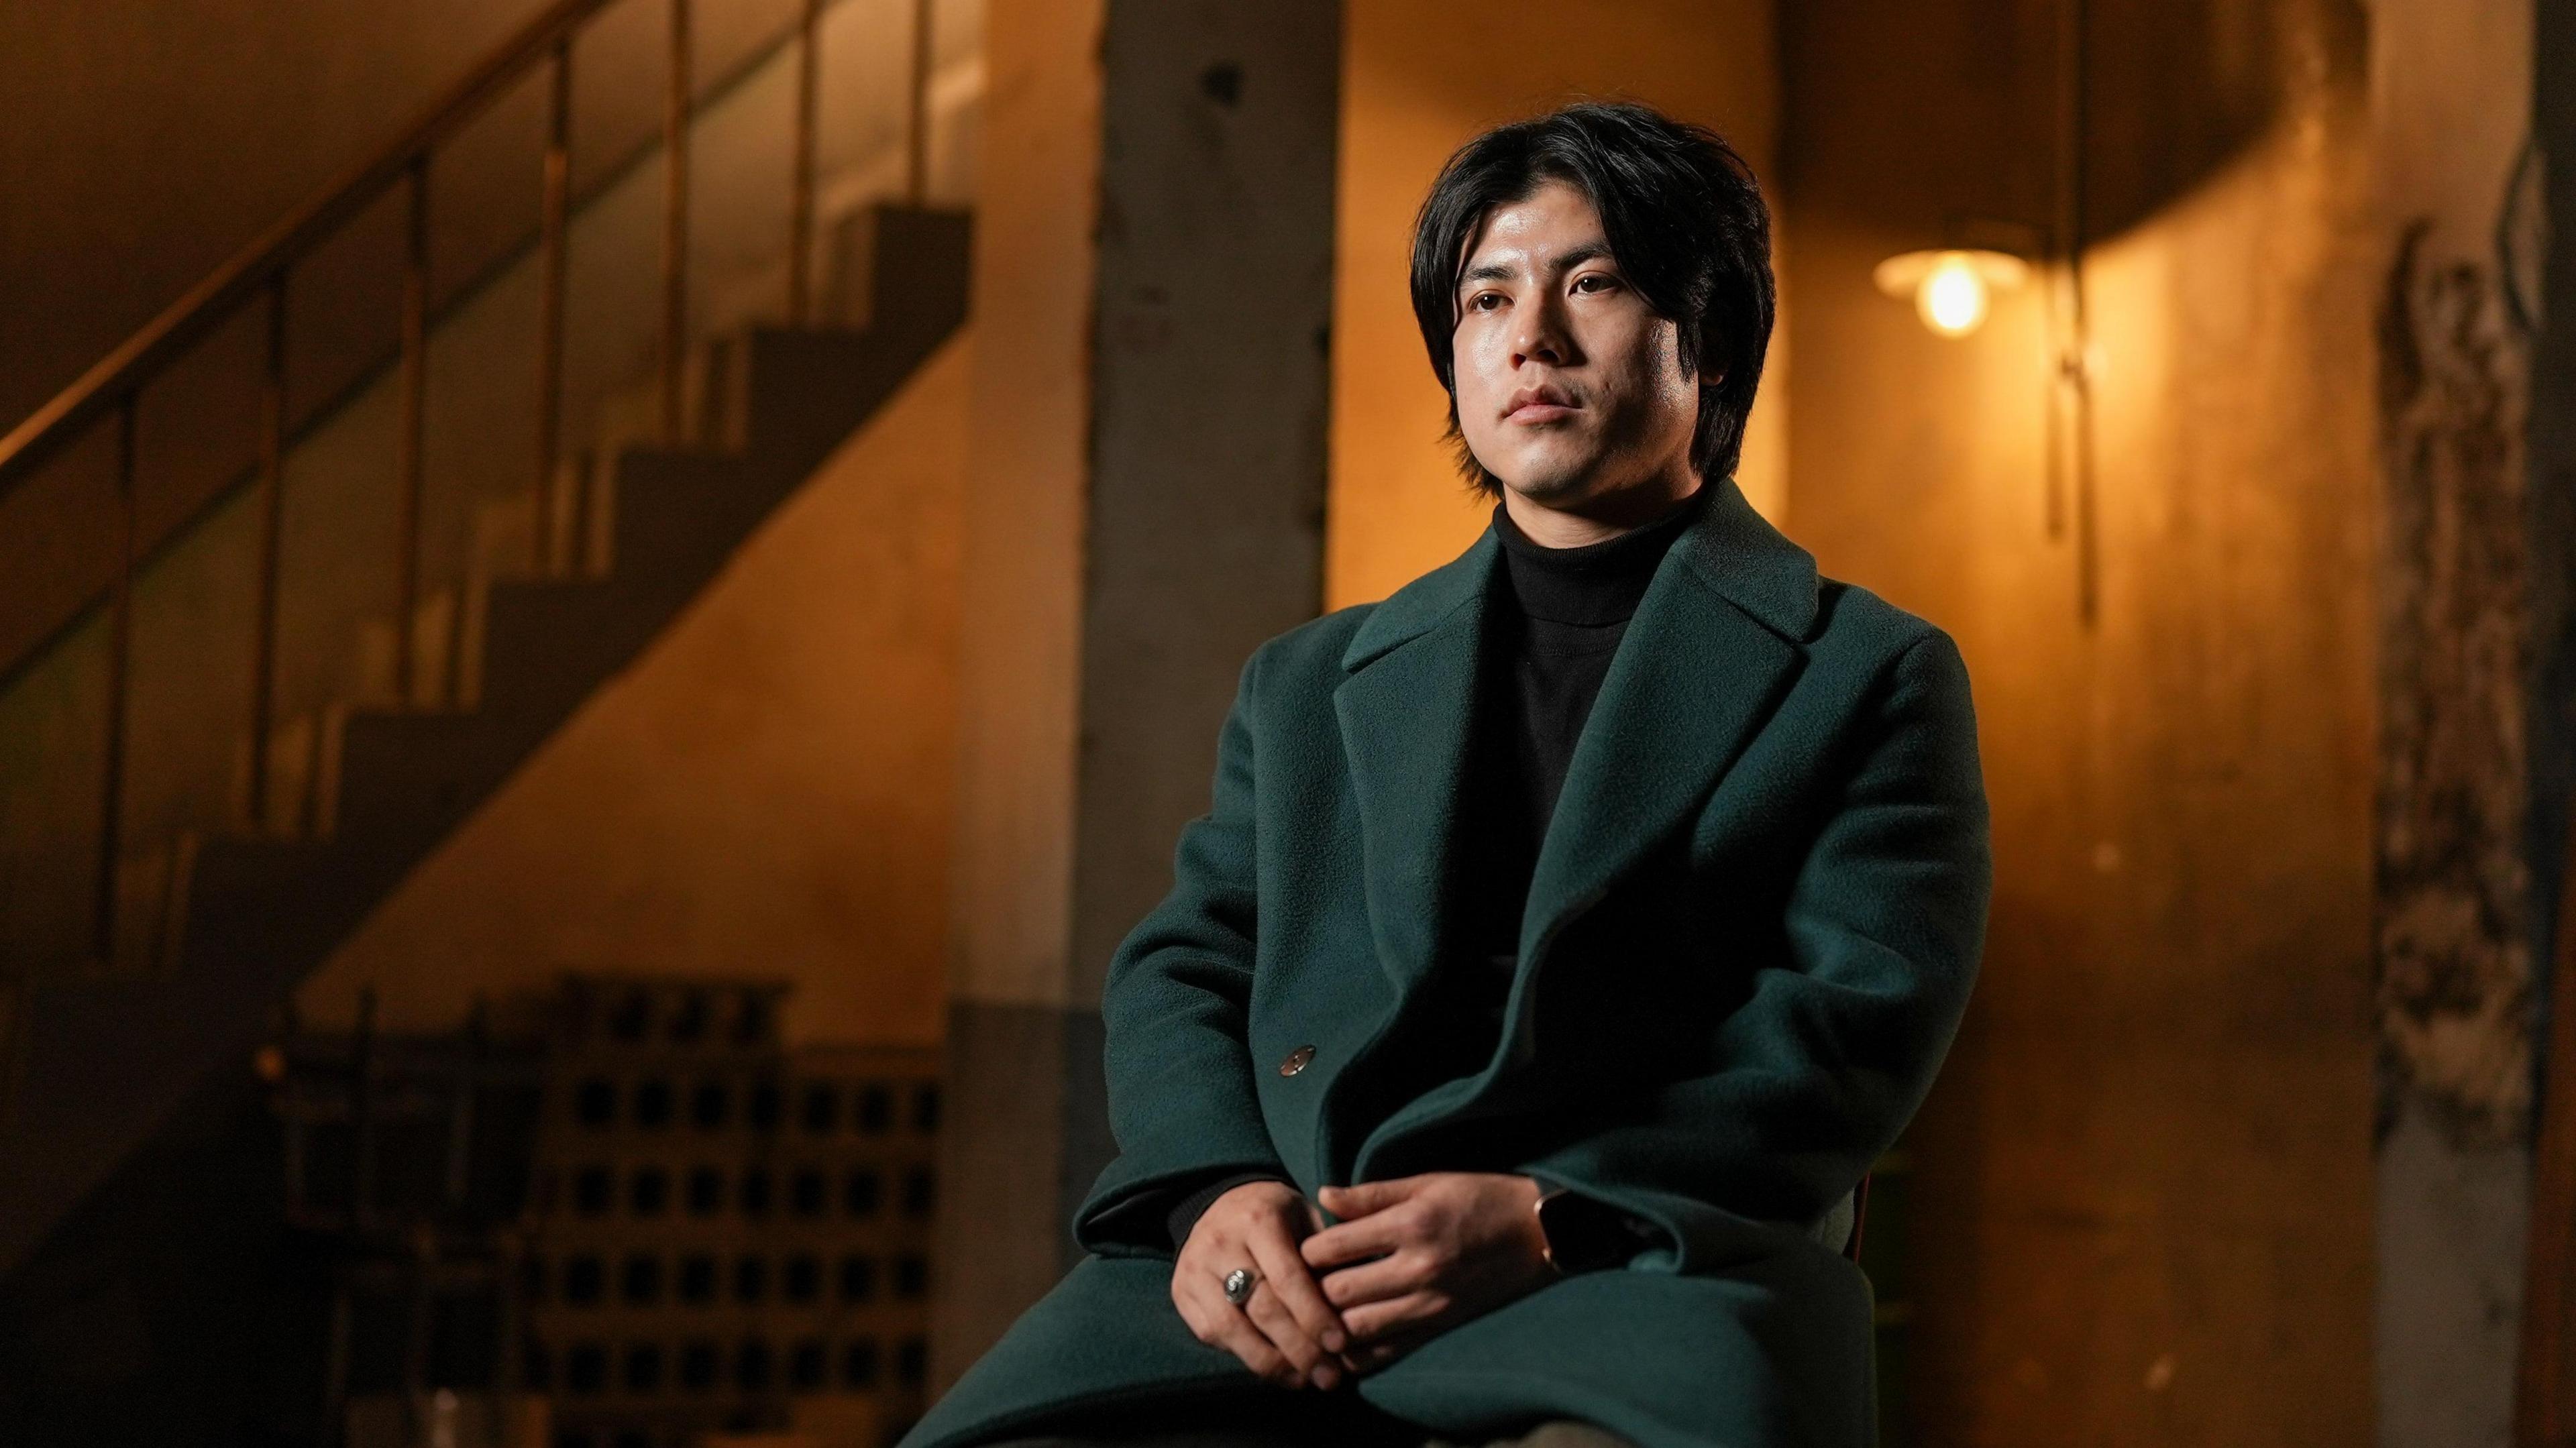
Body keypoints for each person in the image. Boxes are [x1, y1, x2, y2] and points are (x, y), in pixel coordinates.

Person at [899, 99, 1992, 1448]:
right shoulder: (1310, 682)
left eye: (1591, 283)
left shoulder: (1864, 671)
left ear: (1706, 340)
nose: (1528, 335)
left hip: (1634, 1270)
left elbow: (1848, 1026)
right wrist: (1213, 1196)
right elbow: (1187, 966)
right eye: (1485, 299)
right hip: (1294, 1265)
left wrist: (1547, 1215)